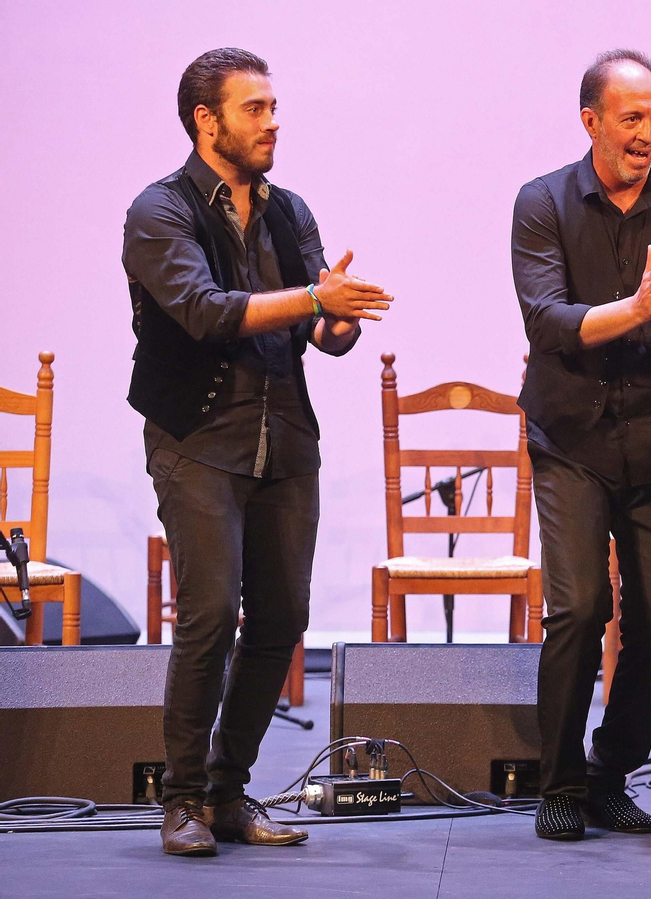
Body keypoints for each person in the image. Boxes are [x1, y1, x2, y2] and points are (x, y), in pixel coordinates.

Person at [123, 48, 393, 856]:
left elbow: (318, 331)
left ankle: (227, 791)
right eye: (255, 108)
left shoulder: (287, 209)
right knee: (208, 616)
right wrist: (314, 299)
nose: (273, 121)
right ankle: (180, 801)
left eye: (274, 106)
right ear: (208, 121)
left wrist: (336, 320)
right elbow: (206, 312)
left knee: (281, 618)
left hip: (285, 436)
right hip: (198, 439)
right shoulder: (159, 211)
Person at [511, 48, 651, 841]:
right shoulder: (542, 202)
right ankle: (560, 781)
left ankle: (611, 772)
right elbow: (548, 321)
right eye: (632, 118)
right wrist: (640, 308)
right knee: (578, 610)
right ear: (592, 122)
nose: (649, 132)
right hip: (572, 434)